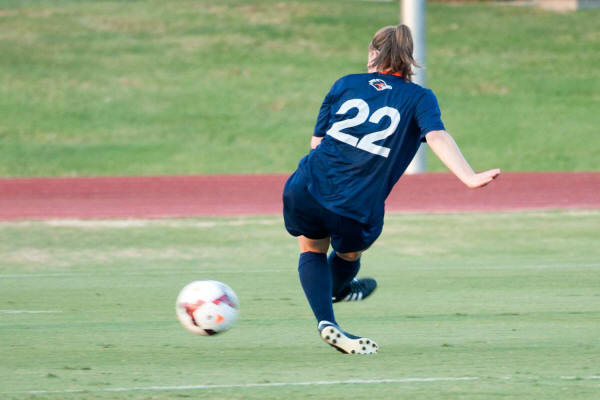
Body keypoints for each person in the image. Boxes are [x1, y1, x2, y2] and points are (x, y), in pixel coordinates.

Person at [282, 24, 500, 354]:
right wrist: (468, 177)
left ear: (373, 52)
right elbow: (437, 136)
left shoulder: (345, 83)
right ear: (409, 59)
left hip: (306, 187)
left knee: (311, 249)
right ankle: (337, 290)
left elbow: (317, 144)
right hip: (356, 205)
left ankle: (327, 320)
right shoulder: (419, 97)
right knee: (348, 254)